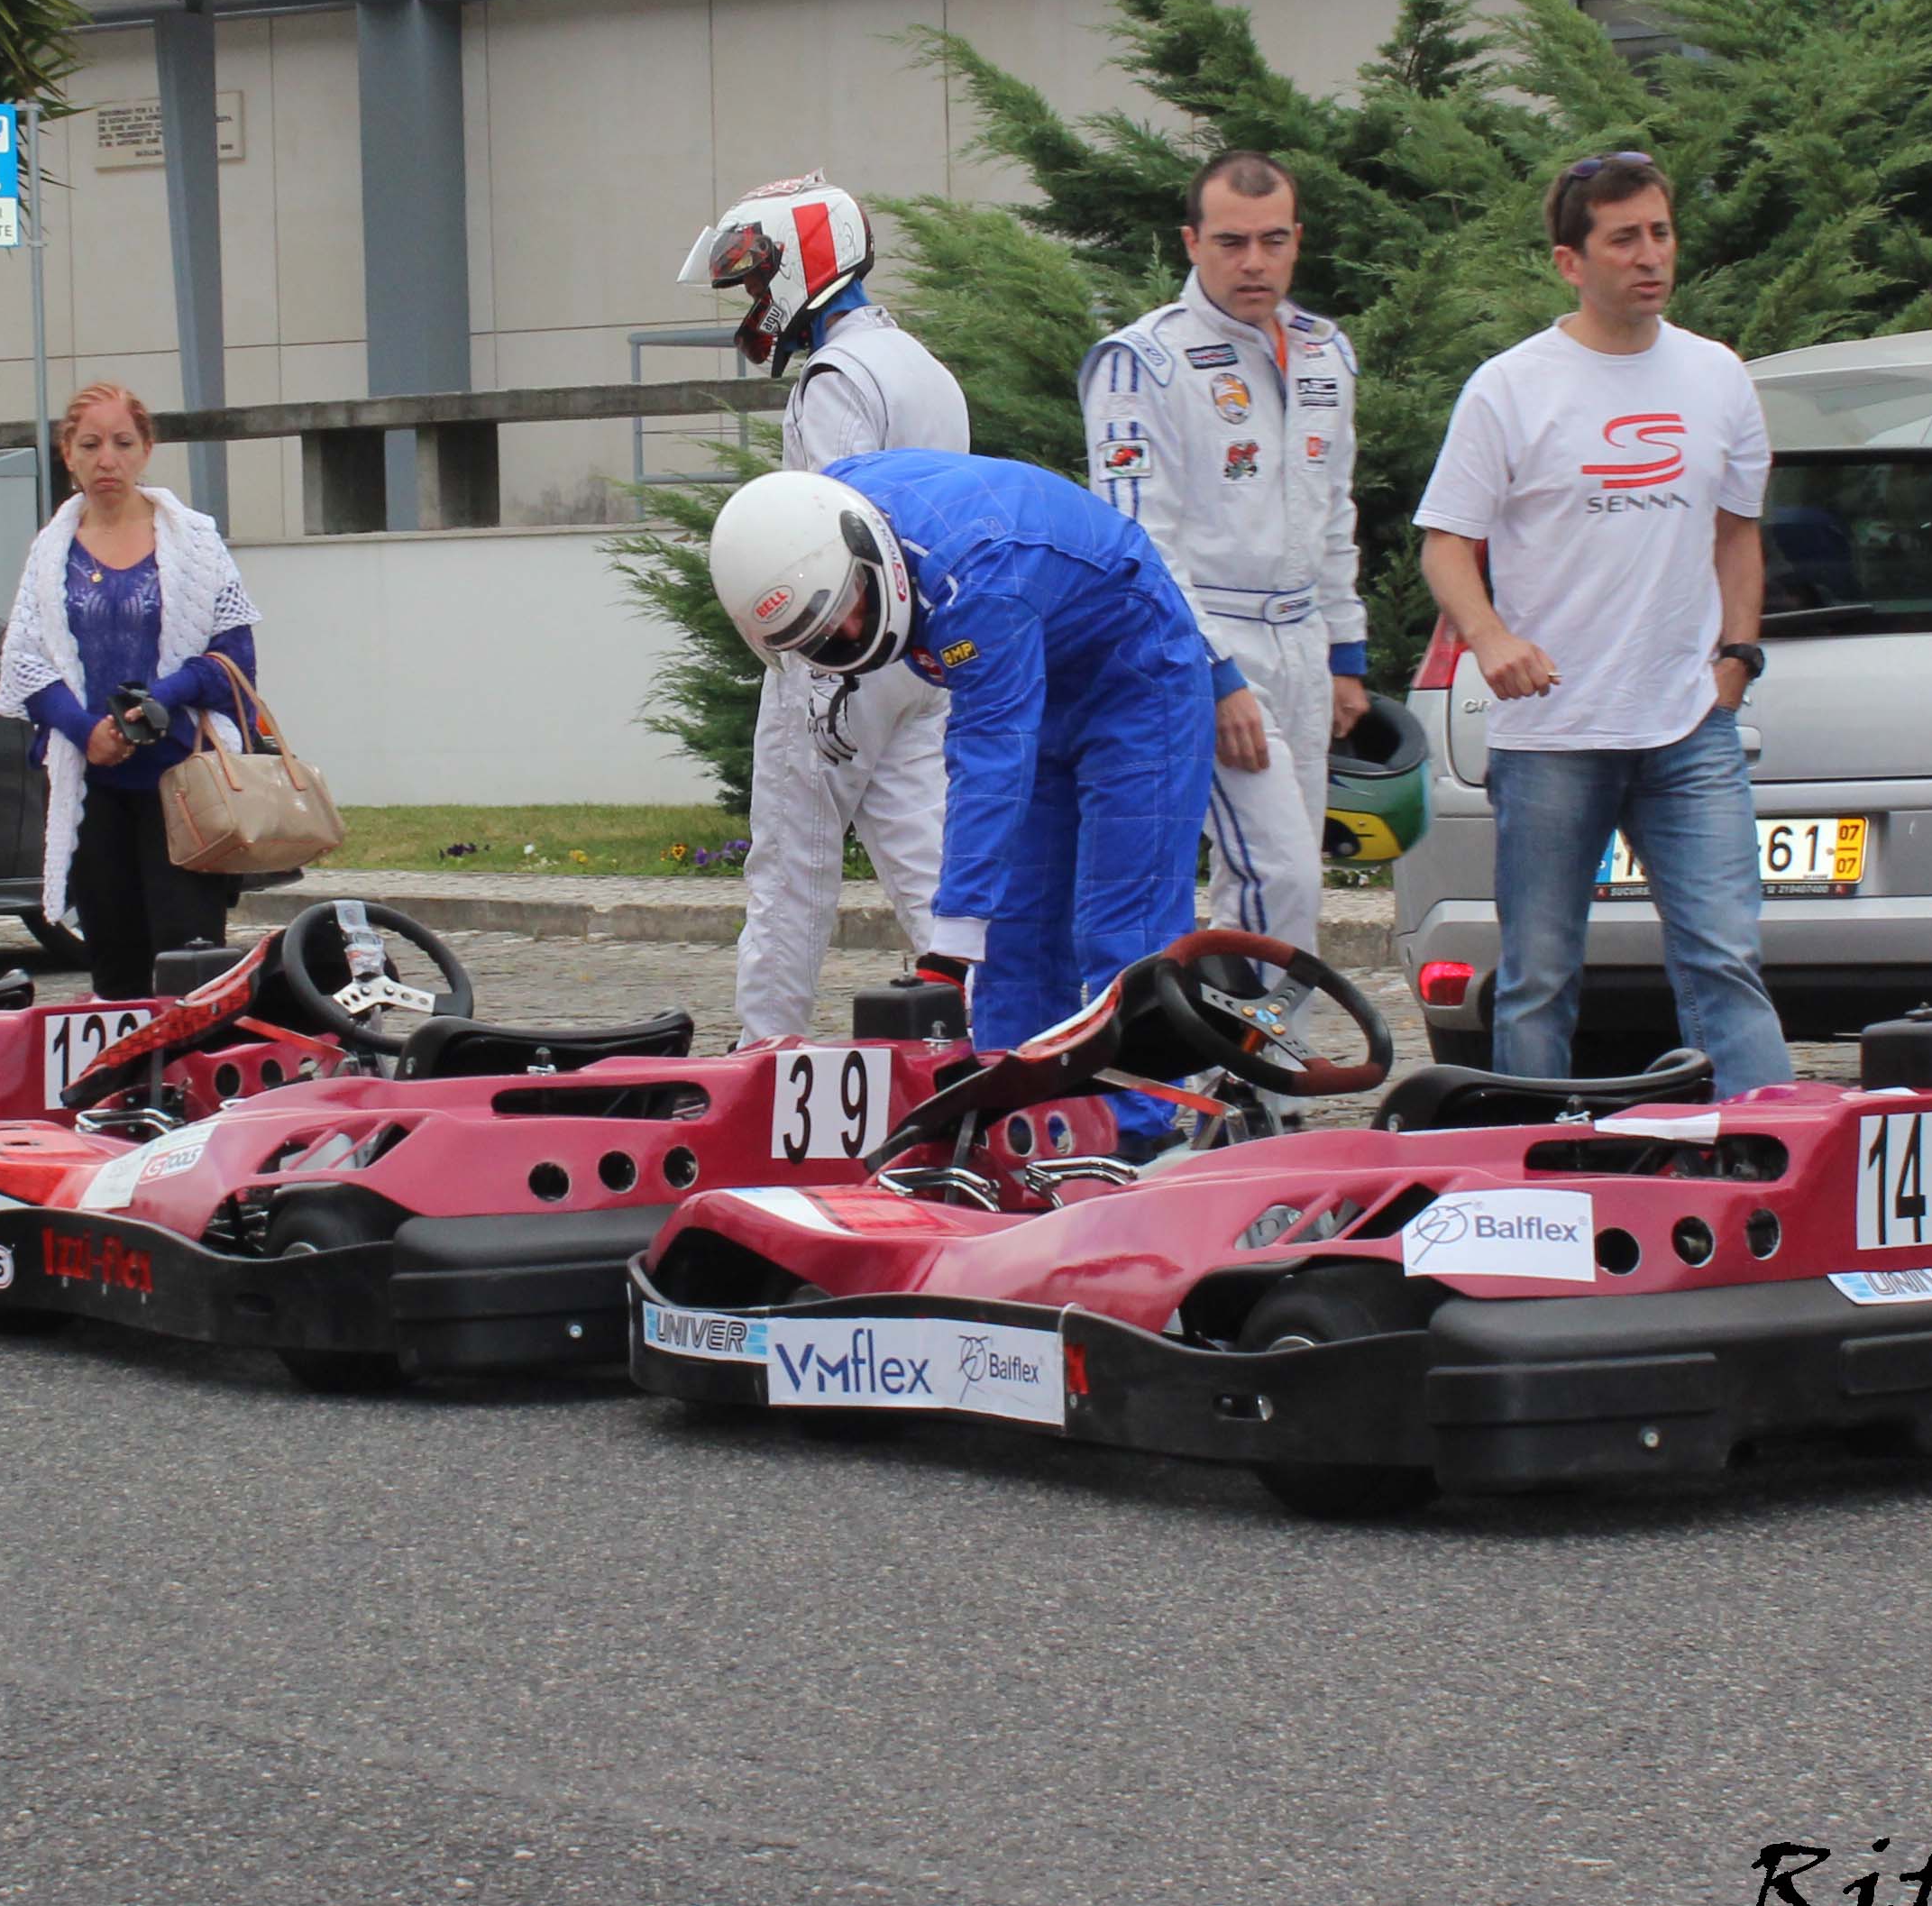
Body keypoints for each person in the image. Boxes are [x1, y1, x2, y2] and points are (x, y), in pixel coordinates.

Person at [709, 450, 1218, 1153]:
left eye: (846, 612)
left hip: (1138, 672)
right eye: (820, 638)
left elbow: (988, 764)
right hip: (1036, 656)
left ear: (860, 555)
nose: (848, 636)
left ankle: (1134, 1133)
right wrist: (968, 938)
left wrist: (947, 952)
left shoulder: (974, 583)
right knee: (1016, 933)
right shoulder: (820, 506)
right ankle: (1008, 1124)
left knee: (1122, 922)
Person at [1411, 151, 1791, 1090]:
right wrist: (1492, 640)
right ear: (1570, 262)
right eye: (1623, 239)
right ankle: (1535, 1155)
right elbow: (1445, 545)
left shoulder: (1716, 375)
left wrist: (1737, 658)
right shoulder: (1511, 386)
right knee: (1539, 979)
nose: (1649, 255)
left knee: (1726, 959)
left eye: (1660, 233)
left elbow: (1737, 533)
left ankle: (1765, 1144)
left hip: (1688, 725)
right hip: (1554, 734)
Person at [682, 177, 970, 1043]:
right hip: (923, 652)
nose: (753, 300)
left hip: (842, 654)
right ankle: (990, 1030)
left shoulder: (835, 377)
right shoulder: (922, 366)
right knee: (931, 862)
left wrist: (808, 657)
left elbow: (829, 534)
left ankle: (765, 1049)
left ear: (801, 263)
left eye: (756, 278)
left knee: (791, 872)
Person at [1085, 148, 1369, 958]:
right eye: (1231, 242)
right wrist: (1213, 676)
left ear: (1297, 240)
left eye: (1273, 241)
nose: (1254, 263)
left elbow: (1333, 509)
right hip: (1207, 640)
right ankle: (1240, 1038)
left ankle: (1255, 1043)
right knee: (1279, 875)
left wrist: (1346, 653)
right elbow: (1138, 543)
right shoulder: (1142, 362)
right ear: (1192, 242)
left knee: (1281, 881)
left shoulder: (1326, 353)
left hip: (1303, 639)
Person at [0, 384, 261, 1004]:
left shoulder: (196, 541)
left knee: (188, 964)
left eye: (121, 443)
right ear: (67, 453)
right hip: (92, 786)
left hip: (182, 784)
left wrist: (160, 699)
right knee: (114, 968)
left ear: (146, 450)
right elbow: (26, 663)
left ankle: (190, 1065)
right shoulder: (50, 551)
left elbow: (235, 660)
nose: (106, 460)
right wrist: (85, 729)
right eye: (90, 445)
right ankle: (125, 1067)